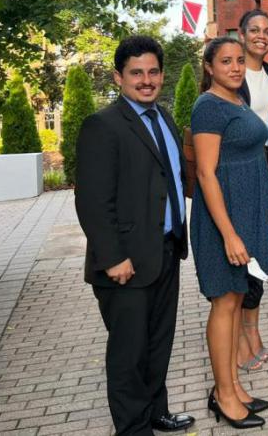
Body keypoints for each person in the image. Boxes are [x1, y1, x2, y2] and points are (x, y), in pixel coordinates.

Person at [75, 35, 195, 435]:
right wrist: (113, 257)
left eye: (153, 72)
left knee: (158, 343)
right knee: (129, 354)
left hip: (166, 250)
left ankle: (156, 411)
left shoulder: (163, 118)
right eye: (136, 73)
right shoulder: (103, 126)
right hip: (125, 260)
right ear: (118, 77)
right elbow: (92, 201)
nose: (146, 80)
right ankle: (133, 429)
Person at [190, 37, 268, 429]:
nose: (236, 67)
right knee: (224, 302)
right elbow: (206, 173)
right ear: (209, 67)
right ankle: (223, 395)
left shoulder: (237, 100)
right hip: (223, 218)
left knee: (237, 298)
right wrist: (228, 234)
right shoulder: (209, 106)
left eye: (240, 60)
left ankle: (234, 386)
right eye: (226, 61)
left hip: (246, 211)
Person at [235, 9, 268, 371]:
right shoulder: (232, 75)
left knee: (262, 252)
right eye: (254, 30)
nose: (261, 36)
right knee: (245, 251)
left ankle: (253, 331)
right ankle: (239, 338)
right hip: (244, 173)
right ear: (241, 34)